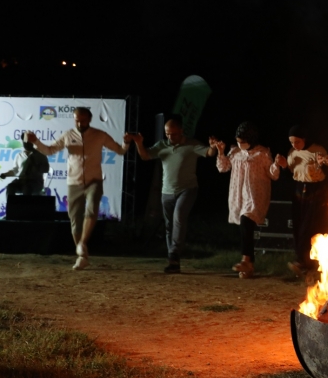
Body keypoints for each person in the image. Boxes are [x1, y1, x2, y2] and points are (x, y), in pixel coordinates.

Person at [27, 107, 130, 270]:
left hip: (94, 180)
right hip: (74, 182)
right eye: (77, 120)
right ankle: (82, 256)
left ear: (89, 119)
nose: (80, 123)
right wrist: (35, 142)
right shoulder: (68, 135)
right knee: (75, 220)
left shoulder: (99, 135)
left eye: (83, 120)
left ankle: (82, 243)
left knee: (92, 208)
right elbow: (50, 150)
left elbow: (120, 150)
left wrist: (126, 142)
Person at [131, 117, 217, 274]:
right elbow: (145, 156)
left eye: (174, 134)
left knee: (178, 217)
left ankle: (174, 255)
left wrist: (212, 147)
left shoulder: (191, 144)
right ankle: (173, 261)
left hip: (187, 190)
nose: (170, 137)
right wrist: (138, 143)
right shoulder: (162, 145)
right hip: (167, 191)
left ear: (181, 131)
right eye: (167, 134)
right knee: (169, 225)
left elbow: (209, 153)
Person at [212, 122, 279, 279]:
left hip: (255, 196)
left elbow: (273, 174)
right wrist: (221, 152)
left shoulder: (262, 153)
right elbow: (223, 168)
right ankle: (249, 266)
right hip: (239, 196)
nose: (240, 144)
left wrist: (276, 164)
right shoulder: (235, 152)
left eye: (243, 141)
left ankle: (246, 260)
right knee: (245, 228)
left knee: (246, 221)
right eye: (238, 141)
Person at [273, 125, 328, 276]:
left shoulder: (317, 150)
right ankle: (302, 261)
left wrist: (324, 163)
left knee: (308, 227)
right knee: (298, 225)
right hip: (299, 190)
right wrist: (284, 166)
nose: (294, 145)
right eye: (292, 142)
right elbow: (290, 175)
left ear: (304, 139)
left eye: (297, 142)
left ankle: (304, 261)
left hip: (315, 191)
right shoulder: (292, 153)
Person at [0, 132, 50, 197]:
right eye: (25, 141)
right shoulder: (19, 156)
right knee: (10, 187)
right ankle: (11, 204)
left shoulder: (40, 155)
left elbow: (46, 169)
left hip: (36, 183)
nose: (27, 143)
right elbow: (14, 170)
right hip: (22, 182)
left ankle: (26, 204)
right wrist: (5, 174)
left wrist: (35, 164)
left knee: (27, 188)